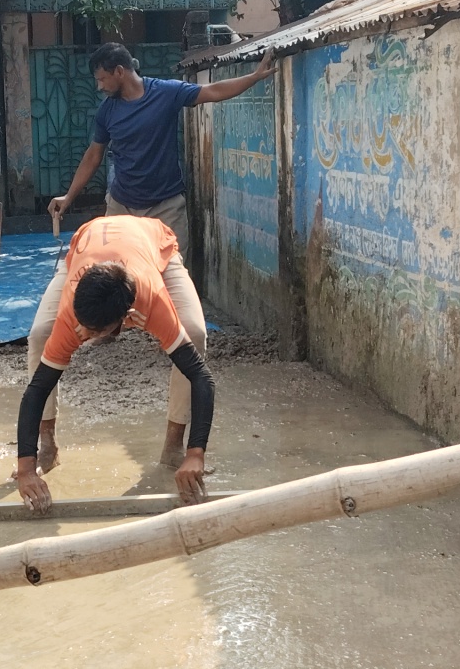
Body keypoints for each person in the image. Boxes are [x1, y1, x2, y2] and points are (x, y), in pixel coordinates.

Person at [14, 216, 215, 514]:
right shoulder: (73, 311)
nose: (86, 338)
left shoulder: (151, 300)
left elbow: (201, 377)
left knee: (195, 333)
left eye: (96, 332)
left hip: (154, 247)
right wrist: (25, 468)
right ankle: (48, 446)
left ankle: (175, 447)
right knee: (42, 335)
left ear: (126, 316)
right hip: (87, 247)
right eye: (85, 329)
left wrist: (196, 452)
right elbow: (36, 389)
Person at [46, 42, 276, 238]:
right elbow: (93, 156)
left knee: (171, 277)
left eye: (102, 79)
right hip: (122, 206)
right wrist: (69, 196)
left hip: (166, 206)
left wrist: (254, 77)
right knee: (118, 277)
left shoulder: (166, 93)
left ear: (119, 71)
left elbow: (213, 91)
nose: (99, 86)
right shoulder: (107, 110)